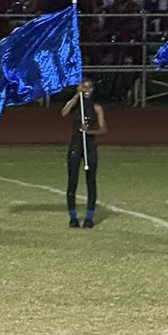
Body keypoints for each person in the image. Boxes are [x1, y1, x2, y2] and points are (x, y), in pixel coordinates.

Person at [61, 79, 106, 228]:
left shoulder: (96, 107)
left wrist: (89, 130)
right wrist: (75, 96)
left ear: (92, 90)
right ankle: (73, 218)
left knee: (91, 182)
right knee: (72, 182)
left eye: (89, 87)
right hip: (75, 146)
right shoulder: (75, 106)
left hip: (90, 147)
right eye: (83, 86)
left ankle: (89, 218)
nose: (86, 89)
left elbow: (103, 129)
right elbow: (63, 112)